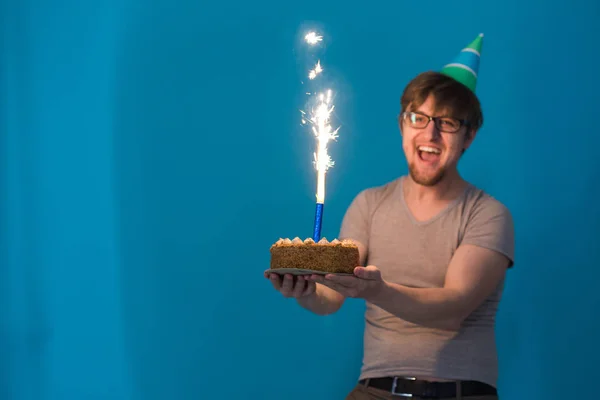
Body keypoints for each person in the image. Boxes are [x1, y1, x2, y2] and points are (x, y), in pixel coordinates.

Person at [265, 34, 514, 400]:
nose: (430, 133)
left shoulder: (488, 214)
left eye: (447, 123)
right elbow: (330, 299)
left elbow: (452, 309)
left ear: (468, 136)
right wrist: (304, 290)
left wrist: (377, 290)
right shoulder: (369, 204)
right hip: (375, 391)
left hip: (461, 393)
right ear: (402, 125)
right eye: (419, 118)